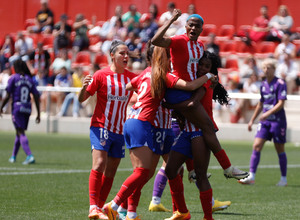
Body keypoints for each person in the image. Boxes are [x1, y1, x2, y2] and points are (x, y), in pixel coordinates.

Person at [104, 44, 217, 220]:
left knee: (168, 171)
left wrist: (144, 95)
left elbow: (129, 87)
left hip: (161, 127)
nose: (172, 59)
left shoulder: (148, 73)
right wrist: (209, 76)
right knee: (143, 172)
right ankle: (121, 207)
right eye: (168, 56)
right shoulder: (164, 75)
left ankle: (177, 211)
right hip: (151, 125)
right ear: (159, 58)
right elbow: (188, 86)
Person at [151, 9, 249, 180]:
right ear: (186, 26)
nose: (193, 28)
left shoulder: (200, 46)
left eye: (197, 26)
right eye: (191, 25)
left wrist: (206, 82)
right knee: (207, 127)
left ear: (202, 29)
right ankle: (227, 168)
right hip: (178, 91)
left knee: (193, 130)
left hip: (190, 91)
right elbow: (156, 40)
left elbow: (199, 69)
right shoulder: (179, 40)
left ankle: (193, 171)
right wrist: (171, 21)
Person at [164, 50, 233, 220]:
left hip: (200, 132)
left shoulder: (206, 82)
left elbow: (192, 104)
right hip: (187, 131)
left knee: (200, 175)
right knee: (170, 170)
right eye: (200, 64)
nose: (202, 68)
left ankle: (207, 217)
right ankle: (182, 211)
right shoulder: (196, 79)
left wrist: (169, 104)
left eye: (207, 66)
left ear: (212, 69)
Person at [78, 40, 137, 220]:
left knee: (111, 171)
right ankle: (93, 207)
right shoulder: (100, 75)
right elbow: (82, 98)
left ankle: (100, 209)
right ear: (112, 55)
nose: (126, 56)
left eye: (127, 53)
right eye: (122, 53)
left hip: (120, 130)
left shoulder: (131, 78)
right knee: (99, 164)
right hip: (101, 126)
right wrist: (82, 87)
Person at [238, 58, 288, 186]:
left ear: (274, 69)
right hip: (265, 122)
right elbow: (260, 104)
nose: (266, 70)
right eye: (264, 68)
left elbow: (281, 103)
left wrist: (267, 113)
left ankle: (283, 179)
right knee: (256, 145)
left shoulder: (280, 83)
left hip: (277, 121)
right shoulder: (263, 84)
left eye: (268, 67)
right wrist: (251, 121)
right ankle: (252, 176)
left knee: (279, 149)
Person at [0, 59, 40, 164]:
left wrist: (1, 107)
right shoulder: (29, 79)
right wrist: (38, 113)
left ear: (16, 68)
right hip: (27, 108)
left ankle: (29, 155)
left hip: (17, 107)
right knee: (19, 132)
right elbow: (36, 95)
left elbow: (7, 95)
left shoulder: (13, 78)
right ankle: (13, 156)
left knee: (20, 132)